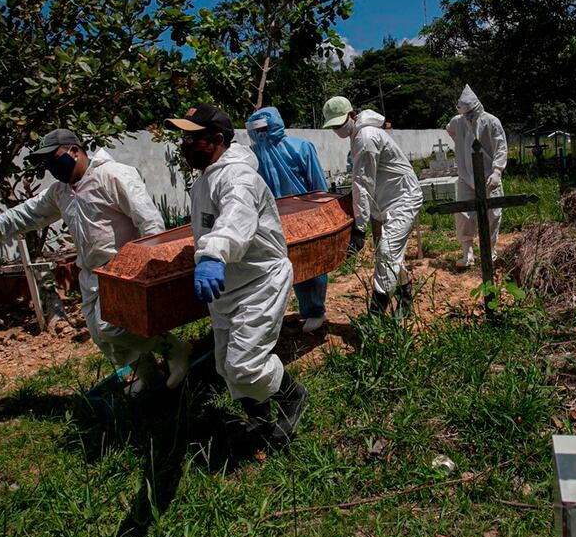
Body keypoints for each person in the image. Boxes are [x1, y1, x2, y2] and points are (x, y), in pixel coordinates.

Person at [0, 129, 192, 395]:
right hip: (92, 274)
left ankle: (173, 348)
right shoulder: (61, 192)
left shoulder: (112, 175)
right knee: (102, 336)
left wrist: (150, 266)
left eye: (54, 158)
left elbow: (148, 220)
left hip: (125, 270)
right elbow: (25, 215)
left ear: (74, 151)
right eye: (46, 162)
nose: (51, 166)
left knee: (113, 329)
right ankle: (147, 374)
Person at [167, 104, 307, 446]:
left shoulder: (238, 178)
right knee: (225, 365)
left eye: (192, 138)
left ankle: (292, 395)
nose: (184, 145)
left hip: (259, 281)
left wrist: (214, 254)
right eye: (183, 137)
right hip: (227, 285)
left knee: (245, 363)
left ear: (217, 139)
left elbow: (235, 219)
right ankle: (259, 418)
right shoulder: (205, 178)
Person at [321, 96, 422, 316]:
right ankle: (405, 299)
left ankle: (375, 318)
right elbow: (363, 180)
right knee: (389, 254)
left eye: (341, 123)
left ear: (353, 115)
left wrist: (359, 227)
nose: (338, 129)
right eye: (334, 126)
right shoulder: (358, 134)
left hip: (402, 200)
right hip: (384, 201)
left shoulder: (366, 137)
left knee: (386, 253)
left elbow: (363, 183)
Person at [246, 106, 330, 333]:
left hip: (305, 216)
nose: (261, 134)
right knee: (280, 266)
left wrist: (322, 213)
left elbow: (318, 184)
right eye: (257, 130)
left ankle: (315, 310)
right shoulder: (254, 155)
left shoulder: (301, 147)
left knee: (312, 263)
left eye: (264, 128)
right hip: (272, 219)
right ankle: (281, 312)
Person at [446, 84, 508, 268]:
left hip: (489, 175)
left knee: (493, 214)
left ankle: (490, 250)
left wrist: (497, 170)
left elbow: (501, 147)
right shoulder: (458, 122)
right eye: (466, 114)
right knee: (464, 214)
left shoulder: (492, 122)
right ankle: (467, 252)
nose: (469, 118)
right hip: (466, 175)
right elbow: (450, 129)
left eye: (471, 113)